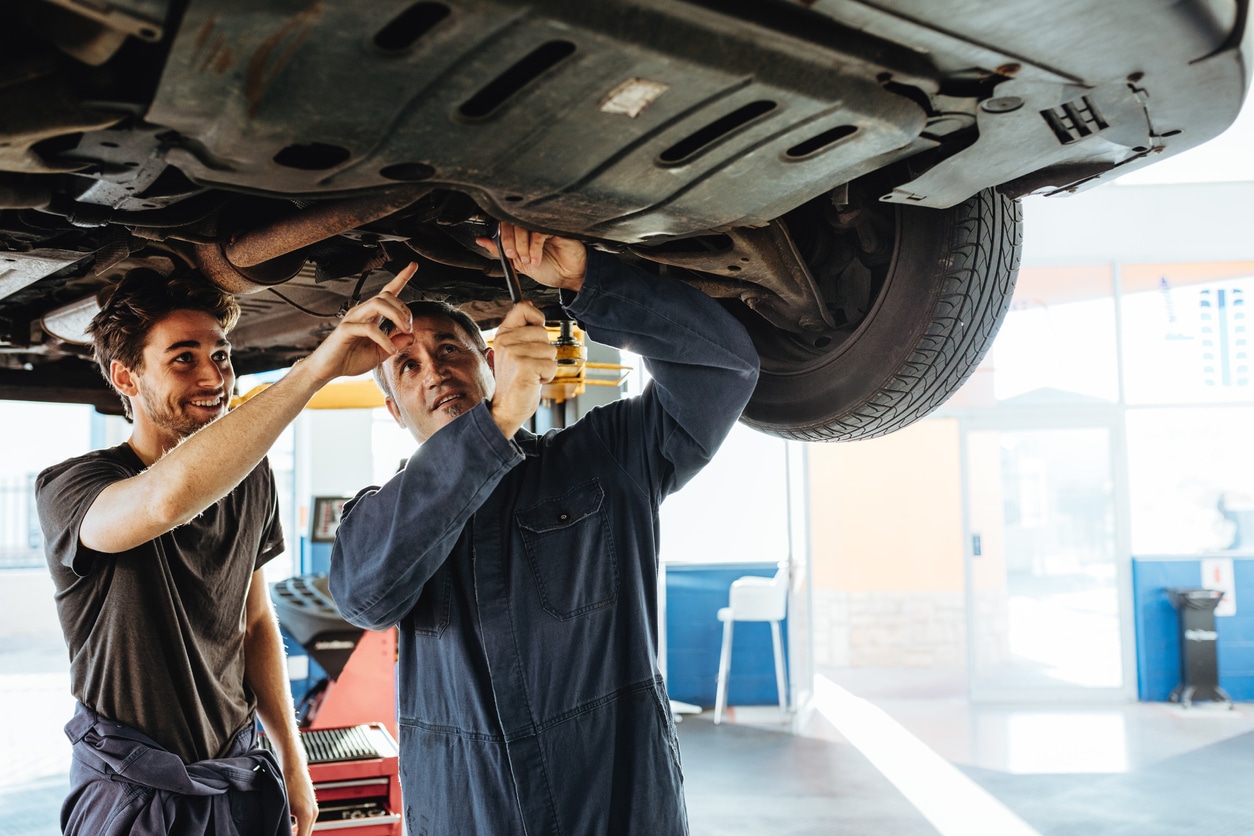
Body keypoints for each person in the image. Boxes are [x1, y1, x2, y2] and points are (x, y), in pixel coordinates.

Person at [329, 223, 760, 834]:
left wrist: (592, 282)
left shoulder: (606, 457)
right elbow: (365, 596)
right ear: (394, 408)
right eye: (406, 365)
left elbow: (725, 367)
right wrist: (500, 417)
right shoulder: (378, 516)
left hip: (615, 804)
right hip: (468, 813)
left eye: (450, 349)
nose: (433, 370)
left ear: (487, 362)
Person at [36, 263, 418, 835]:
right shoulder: (72, 488)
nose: (213, 376)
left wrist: (292, 758)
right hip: (135, 788)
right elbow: (166, 500)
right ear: (126, 377)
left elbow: (255, 620)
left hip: (239, 769)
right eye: (182, 357)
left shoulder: (250, 476)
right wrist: (315, 370)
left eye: (220, 355)